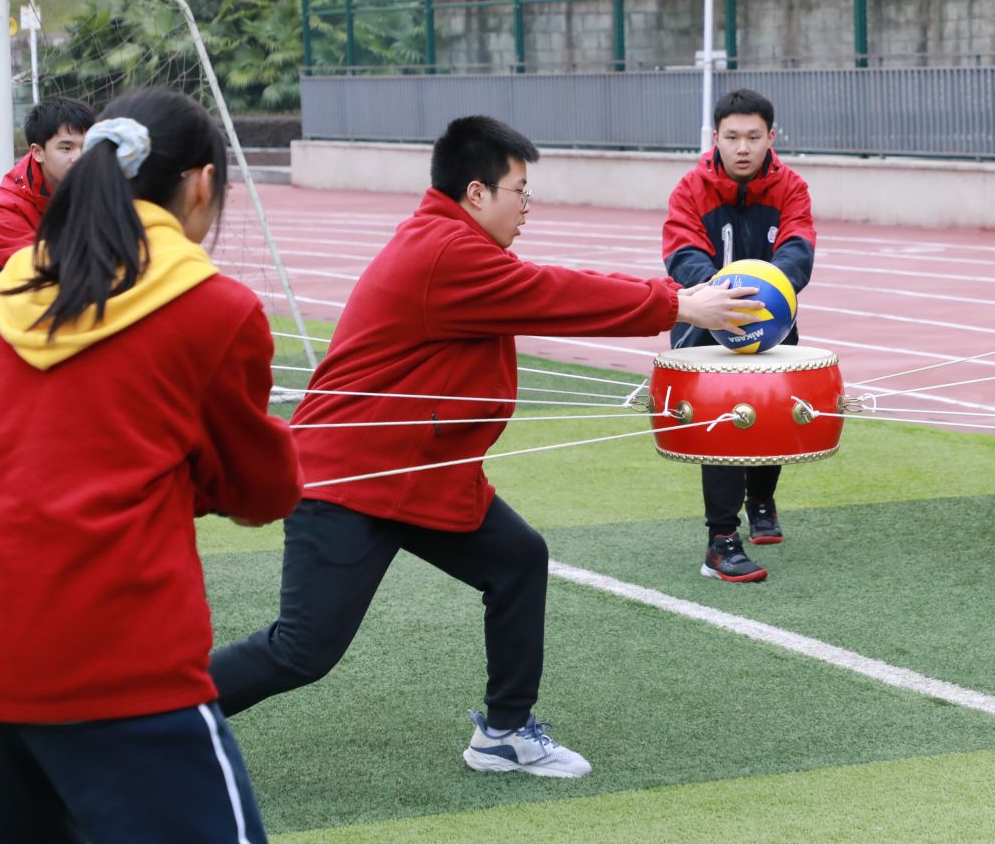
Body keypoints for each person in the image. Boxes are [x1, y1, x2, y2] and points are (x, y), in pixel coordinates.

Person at [208, 115, 754, 779]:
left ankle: (504, 732)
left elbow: (544, 284)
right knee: (301, 651)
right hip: (348, 480)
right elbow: (553, 293)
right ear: (476, 193)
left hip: (421, 476)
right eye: (519, 190)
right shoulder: (445, 253)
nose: (528, 205)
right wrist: (678, 305)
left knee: (518, 560)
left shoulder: (453, 242)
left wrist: (675, 301)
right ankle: (142, 721)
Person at [0, 89, 303, 844]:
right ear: (200, 185)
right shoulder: (215, 307)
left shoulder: (12, 293)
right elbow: (260, 490)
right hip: (108, 645)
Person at [662, 88, 818, 584]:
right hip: (704, 318)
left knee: (774, 410)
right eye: (732, 137)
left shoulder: (791, 187)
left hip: (774, 319)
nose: (743, 147)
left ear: (772, 137)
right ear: (716, 139)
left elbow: (798, 247)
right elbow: (681, 250)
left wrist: (772, 292)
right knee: (721, 421)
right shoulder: (691, 187)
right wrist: (716, 297)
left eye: (754, 136)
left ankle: (763, 499)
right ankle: (721, 540)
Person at [0, 96, 96, 394]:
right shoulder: (6, 210)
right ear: (37, 152)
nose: (79, 157)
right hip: (1, 349)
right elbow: (46, 278)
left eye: (87, 147)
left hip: (65, 339)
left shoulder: (96, 189)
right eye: (66, 147)